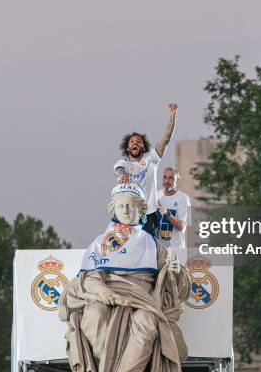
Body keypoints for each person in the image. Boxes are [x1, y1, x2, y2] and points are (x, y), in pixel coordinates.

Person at [59, 183, 191, 372]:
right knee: (95, 315)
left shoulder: (153, 244)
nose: (126, 210)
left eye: (131, 206)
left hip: (143, 300)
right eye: (121, 206)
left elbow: (177, 284)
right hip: (108, 295)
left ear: (141, 209)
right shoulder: (100, 243)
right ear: (114, 210)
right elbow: (89, 277)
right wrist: (103, 291)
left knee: (147, 321)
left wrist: (176, 270)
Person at [114, 103, 178, 234]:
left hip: (149, 213)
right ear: (128, 148)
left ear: (143, 147)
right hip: (129, 214)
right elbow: (118, 169)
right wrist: (123, 174)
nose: (135, 143)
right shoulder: (124, 163)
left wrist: (172, 116)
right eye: (132, 142)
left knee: (148, 248)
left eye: (138, 141)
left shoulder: (151, 160)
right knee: (129, 249)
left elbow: (165, 139)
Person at [156, 167, 190, 248]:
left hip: (176, 249)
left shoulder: (184, 198)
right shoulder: (155, 196)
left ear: (178, 180)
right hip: (157, 250)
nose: (167, 181)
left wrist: (167, 213)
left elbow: (181, 226)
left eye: (171, 178)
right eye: (165, 177)